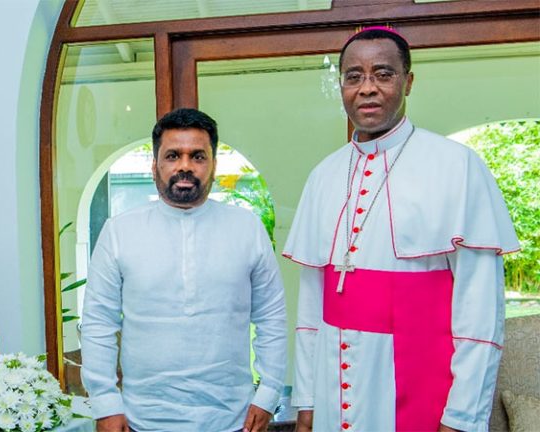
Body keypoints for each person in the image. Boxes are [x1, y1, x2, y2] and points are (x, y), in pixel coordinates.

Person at [282, 27, 520, 432]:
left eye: (383, 74)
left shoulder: (457, 166)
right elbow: (310, 308)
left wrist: (462, 417)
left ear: (408, 82)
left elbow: (480, 313)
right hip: (333, 393)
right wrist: (307, 399)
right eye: (354, 76)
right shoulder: (323, 175)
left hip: (420, 381)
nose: (367, 88)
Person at [81, 108, 288, 432]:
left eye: (198, 156)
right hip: (142, 420)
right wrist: (105, 403)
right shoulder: (120, 232)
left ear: (214, 165)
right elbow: (98, 323)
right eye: (173, 155)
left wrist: (269, 392)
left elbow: (271, 317)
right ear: (155, 165)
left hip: (232, 420)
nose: (185, 166)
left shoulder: (246, 229)